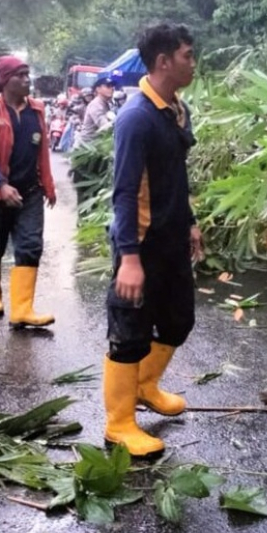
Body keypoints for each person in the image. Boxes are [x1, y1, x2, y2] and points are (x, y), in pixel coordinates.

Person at [104, 24, 202, 458]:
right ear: (164, 62)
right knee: (130, 332)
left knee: (179, 319)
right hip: (139, 243)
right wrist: (128, 258)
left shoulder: (176, 110)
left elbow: (175, 177)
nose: (193, 62)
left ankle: (147, 385)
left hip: (172, 237)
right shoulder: (136, 118)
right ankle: (119, 424)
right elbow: (124, 191)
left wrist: (191, 221)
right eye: (187, 55)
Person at [0, 55, 57, 328]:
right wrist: (1, 184)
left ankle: (22, 309)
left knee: (31, 245)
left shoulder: (37, 110)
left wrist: (48, 184)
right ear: (4, 81)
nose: (26, 79)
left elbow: (42, 150)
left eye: (27, 74)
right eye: (19, 75)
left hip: (30, 191)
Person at [76, 74, 116, 147]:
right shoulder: (96, 104)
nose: (112, 88)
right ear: (98, 89)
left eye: (112, 86)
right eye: (108, 86)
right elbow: (104, 126)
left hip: (98, 143)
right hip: (88, 146)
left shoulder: (106, 103)